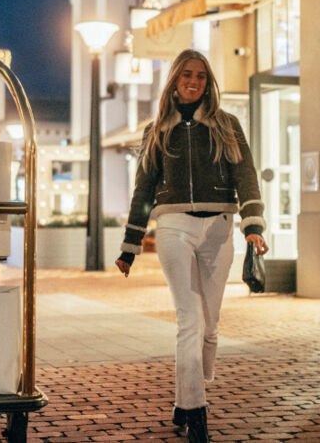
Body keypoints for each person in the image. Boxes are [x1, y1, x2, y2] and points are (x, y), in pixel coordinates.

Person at [114, 49, 268, 443]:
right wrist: (130, 245)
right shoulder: (157, 130)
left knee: (211, 327)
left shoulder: (227, 125)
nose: (193, 81)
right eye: (186, 75)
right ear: (174, 81)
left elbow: (246, 175)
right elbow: (143, 191)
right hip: (174, 227)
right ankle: (197, 413)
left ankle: (187, 396)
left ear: (207, 81)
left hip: (218, 228)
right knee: (190, 320)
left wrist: (253, 225)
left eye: (200, 75)